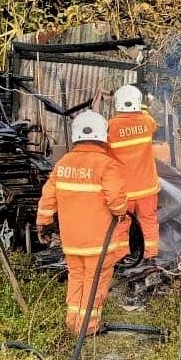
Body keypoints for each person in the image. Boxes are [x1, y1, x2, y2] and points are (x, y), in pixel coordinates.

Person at [36, 110, 130, 336]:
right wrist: (121, 212)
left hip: (71, 241)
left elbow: (47, 198)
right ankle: (87, 328)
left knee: (76, 277)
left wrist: (44, 223)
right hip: (98, 242)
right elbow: (116, 200)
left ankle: (72, 322)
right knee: (94, 282)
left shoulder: (63, 164)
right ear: (102, 135)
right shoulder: (107, 165)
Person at [106, 85, 161, 262]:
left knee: (121, 223)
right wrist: (144, 109)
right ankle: (150, 256)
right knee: (148, 221)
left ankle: (122, 256)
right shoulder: (146, 121)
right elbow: (153, 123)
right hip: (147, 187)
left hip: (124, 190)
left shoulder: (111, 127)